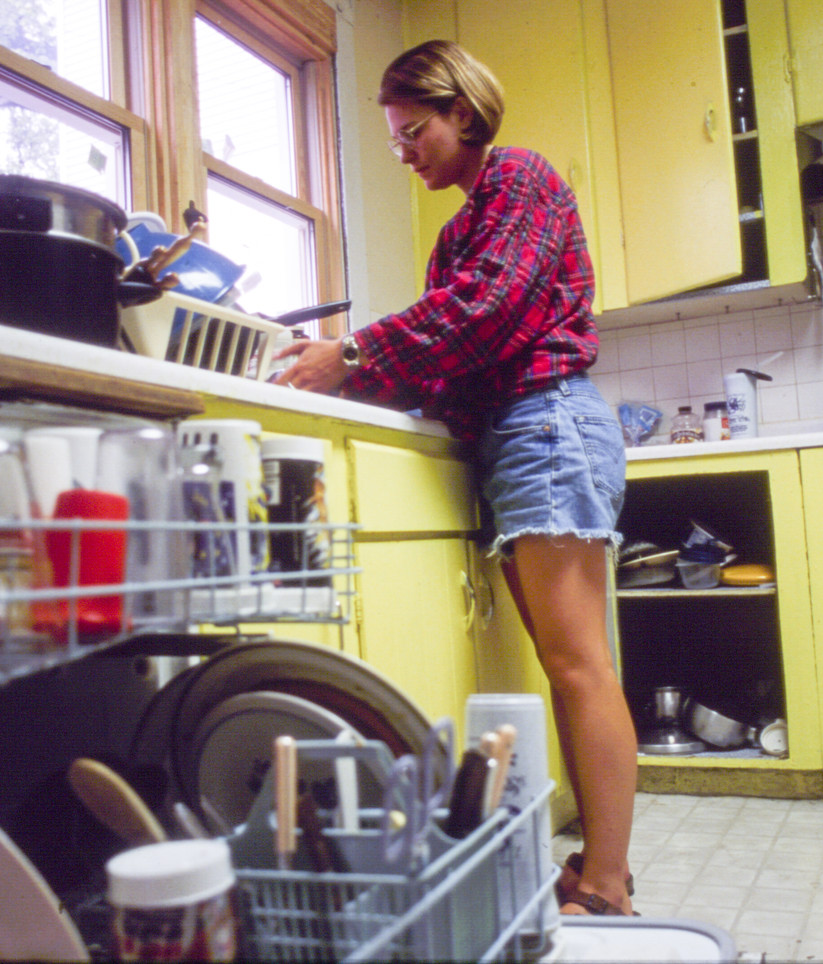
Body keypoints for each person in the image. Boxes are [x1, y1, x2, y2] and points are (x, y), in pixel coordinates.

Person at [273, 39, 637, 917]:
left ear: (462, 112)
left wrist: (353, 350)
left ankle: (609, 885)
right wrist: (333, 370)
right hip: (523, 432)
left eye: (411, 131)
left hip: (547, 423)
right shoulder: (460, 229)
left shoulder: (520, 178)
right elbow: (450, 353)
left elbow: (488, 310)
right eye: (394, 137)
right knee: (572, 663)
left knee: (578, 665)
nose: (402, 151)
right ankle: (598, 868)